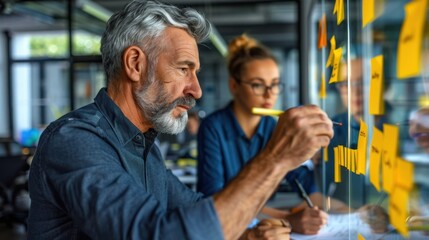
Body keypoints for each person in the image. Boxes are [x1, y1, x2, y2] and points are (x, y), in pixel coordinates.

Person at [27, 1, 333, 239]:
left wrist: (248, 235)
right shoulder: (75, 140)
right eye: (184, 68)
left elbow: (196, 209)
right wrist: (276, 158)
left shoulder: (144, 146)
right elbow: (157, 234)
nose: (196, 90)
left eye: (195, 72)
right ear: (135, 64)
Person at [197, 34, 328, 235]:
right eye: (258, 85)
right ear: (234, 86)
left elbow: (307, 185)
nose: (269, 94)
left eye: (275, 84)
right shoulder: (213, 127)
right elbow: (214, 201)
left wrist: (347, 211)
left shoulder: (275, 128)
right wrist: (287, 219)